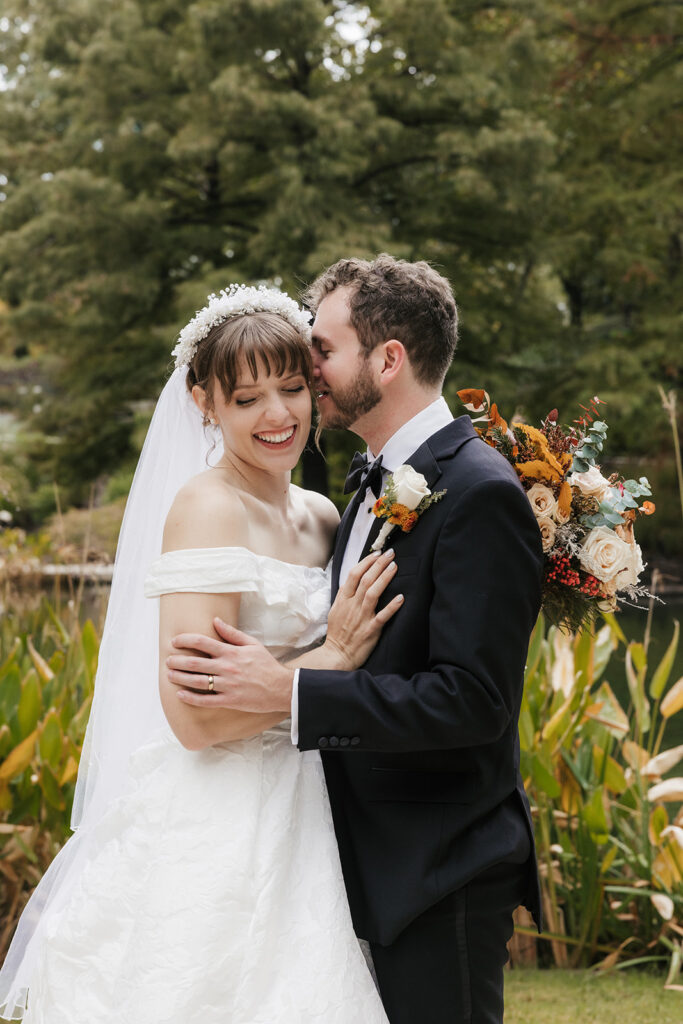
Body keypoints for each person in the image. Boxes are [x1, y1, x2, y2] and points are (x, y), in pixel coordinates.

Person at [0, 285, 400, 1023]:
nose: (277, 416)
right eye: (246, 399)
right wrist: (333, 660)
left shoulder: (318, 514)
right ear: (203, 401)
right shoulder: (207, 507)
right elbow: (194, 722)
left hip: (308, 800)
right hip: (220, 813)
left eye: (290, 389)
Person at [167, 256, 545, 1024]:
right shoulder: (364, 486)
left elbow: (473, 700)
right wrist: (323, 666)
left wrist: (295, 687)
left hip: (440, 864)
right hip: (335, 852)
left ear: (388, 359)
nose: (310, 370)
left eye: (322, 352)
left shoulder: (477, 491)